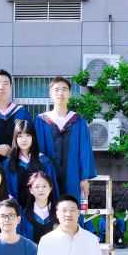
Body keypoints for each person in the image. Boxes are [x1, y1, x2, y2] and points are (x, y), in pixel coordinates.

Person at [34, 77, 95, 206]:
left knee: (71, 208)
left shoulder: (78, 121)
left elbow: (85, 151)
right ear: (50, 94)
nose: (60, 93)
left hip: (73, 175)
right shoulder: (41, 120)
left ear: (70, 94)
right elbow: (37, 150)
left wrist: (84, 178)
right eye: (56, 90)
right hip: (47, 174)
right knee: (48, 208)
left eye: (64, 89)